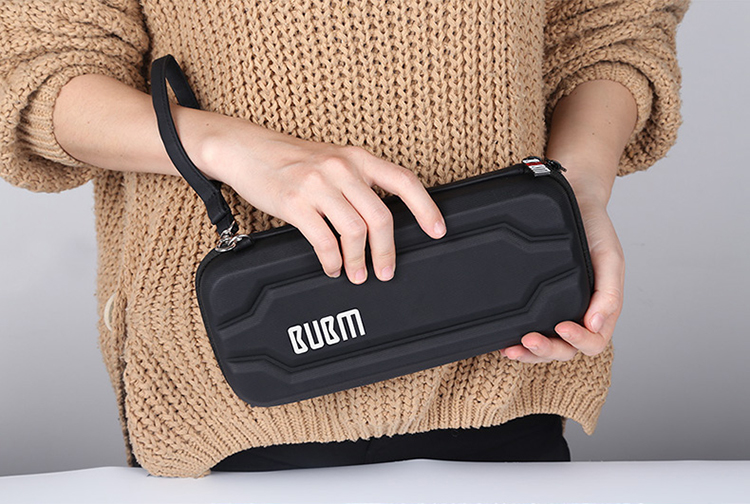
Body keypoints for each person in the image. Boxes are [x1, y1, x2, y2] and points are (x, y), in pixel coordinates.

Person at [0, 0, 688, 477]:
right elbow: (40, 71)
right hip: (234, 397)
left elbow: (611, 29)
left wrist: (577, 190)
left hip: (507, 362)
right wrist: (230, 148)